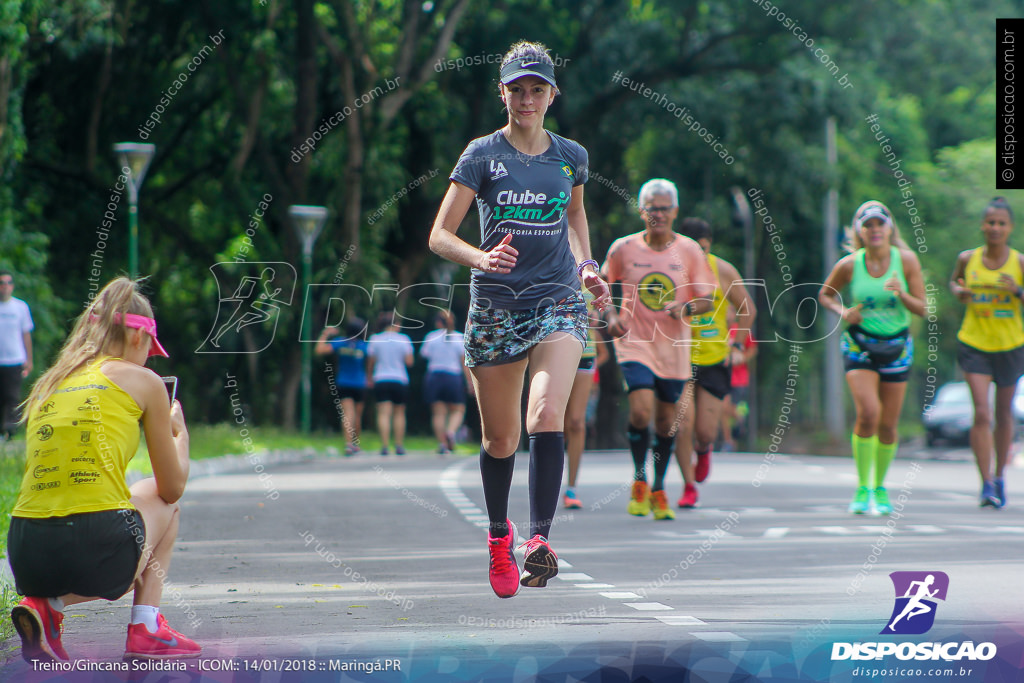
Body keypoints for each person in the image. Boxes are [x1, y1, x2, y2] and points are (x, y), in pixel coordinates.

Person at [428, 40, 609, 598]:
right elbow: (438, 235)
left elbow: (575, 212)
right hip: (497, 307)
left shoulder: (571, 156)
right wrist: (481, 257)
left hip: (557, 300)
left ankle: (539, 540)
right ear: (501, 93)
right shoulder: (481, 155)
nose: (527, 98)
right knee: (502, 439)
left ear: (553, 95)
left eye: (537, 89)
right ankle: (499, 536)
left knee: (547, 412)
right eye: (517, 89)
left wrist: (586, 265)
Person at [7, 277, 199, 662]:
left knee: (117, 503)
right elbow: (173, 486)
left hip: (26, 547)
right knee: (163, 502)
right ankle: (146, 627)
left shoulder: (51, 381)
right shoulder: (145, 382)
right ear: (136, 338)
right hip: (94, 546)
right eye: (150, 348)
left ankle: (46, 605)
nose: (149, 359)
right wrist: (181, 435)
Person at [601, 179, 715, 521]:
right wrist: (609, 315)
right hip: (634, 342)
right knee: (640, 411)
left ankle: (659, 487)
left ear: (675, 212)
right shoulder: (623, 248)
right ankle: (639, 479)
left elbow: (707, 299)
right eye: (653, 208)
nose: (659, 214)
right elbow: (603, 286)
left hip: (674, 349)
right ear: (641, 210)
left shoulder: (690, 251)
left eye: (665, 208)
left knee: (666, 424)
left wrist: (685, 310)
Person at [819, 201, 925, 515]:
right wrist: (843, 312)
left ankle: (879, 487)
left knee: (889, 425)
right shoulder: (850, 264)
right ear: (859, 232)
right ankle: (862, 487)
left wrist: (901, 295)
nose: (875, 230)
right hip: (860, 345)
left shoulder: (905, 260)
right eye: (868, 225)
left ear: (890, 229)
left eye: (880, 224)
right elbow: (825, 294)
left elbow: (922, 308)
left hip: (896, 347)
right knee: (868, 412)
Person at [673, 218, 755, 508]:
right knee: (682, 424)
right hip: (679, 360)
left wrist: (736, 344)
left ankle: (704, 449)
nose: (699, 256)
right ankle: (688, 486)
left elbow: (748, 309)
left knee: (705, 431)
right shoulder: (670, 269)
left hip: (714, 358)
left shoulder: (723, 270)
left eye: (704, 249)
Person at [950, 197, 1023, 508]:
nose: (995, 228)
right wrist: (960, 291)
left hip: (1010, 345)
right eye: (990, 222)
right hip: (975, 343)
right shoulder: (968, 259)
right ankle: (986, 484)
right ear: (982, 226)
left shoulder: (1019, 263)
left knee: (1003, 413)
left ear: (1010, 228)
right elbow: (954, 282)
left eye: (1001, 223)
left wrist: (1016, 291)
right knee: (981, 411)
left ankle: (1000, 475)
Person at [563, 300, 610, 509]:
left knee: (576, 422)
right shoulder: (551, 270)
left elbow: (603, 310)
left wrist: (597, 316)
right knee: (552, 422)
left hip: (586, 354)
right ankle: (548, 482)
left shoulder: (591, 275)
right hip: (554, 350)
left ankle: (571, 488)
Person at [315, 316, 369, 456]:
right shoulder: (364, 345)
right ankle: (356, 444)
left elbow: (319, 350)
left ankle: (348, 444)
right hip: (359, 383)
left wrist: (325, 334)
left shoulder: (340, 342)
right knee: (357, 415)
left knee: (347, 414)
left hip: (344, 382)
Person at [421, 311, 471, 455]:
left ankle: (442, 444)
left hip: (434, 376)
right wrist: (469, 382)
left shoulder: (431, 337)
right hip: (453, 377)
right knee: (458, 409)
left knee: (438, 413)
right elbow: (464, 364)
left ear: (438, 322)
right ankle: (450, 432)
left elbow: (425, 356)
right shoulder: (459, 338)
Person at [367, 312, 413, 456]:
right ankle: (399, 445)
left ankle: (385, 445)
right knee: (399, 413)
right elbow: (409, 362)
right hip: (399, 379)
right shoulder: (404, 339)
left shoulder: (375, 339)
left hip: (381, 378)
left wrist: (369, 377)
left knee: (383, 413)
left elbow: (371, 362)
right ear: (395, 324)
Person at [0, 269, 33, 438]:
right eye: (2, 283)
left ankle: (10, 429)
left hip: (14, 359)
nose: (5, 287)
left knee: (12, 396)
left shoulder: (20, 307)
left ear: (12, 286)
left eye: (8, 283)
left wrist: (29, 358)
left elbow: (26, 334)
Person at [720, 315, 757, 452]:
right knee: (723, 409)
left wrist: (742, 358)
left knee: (728, 408)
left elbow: (753, 349)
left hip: (739, 378)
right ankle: (728, 441)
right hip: (722, 376)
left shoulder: (740, 330)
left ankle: (739, 418)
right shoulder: (718, 329)